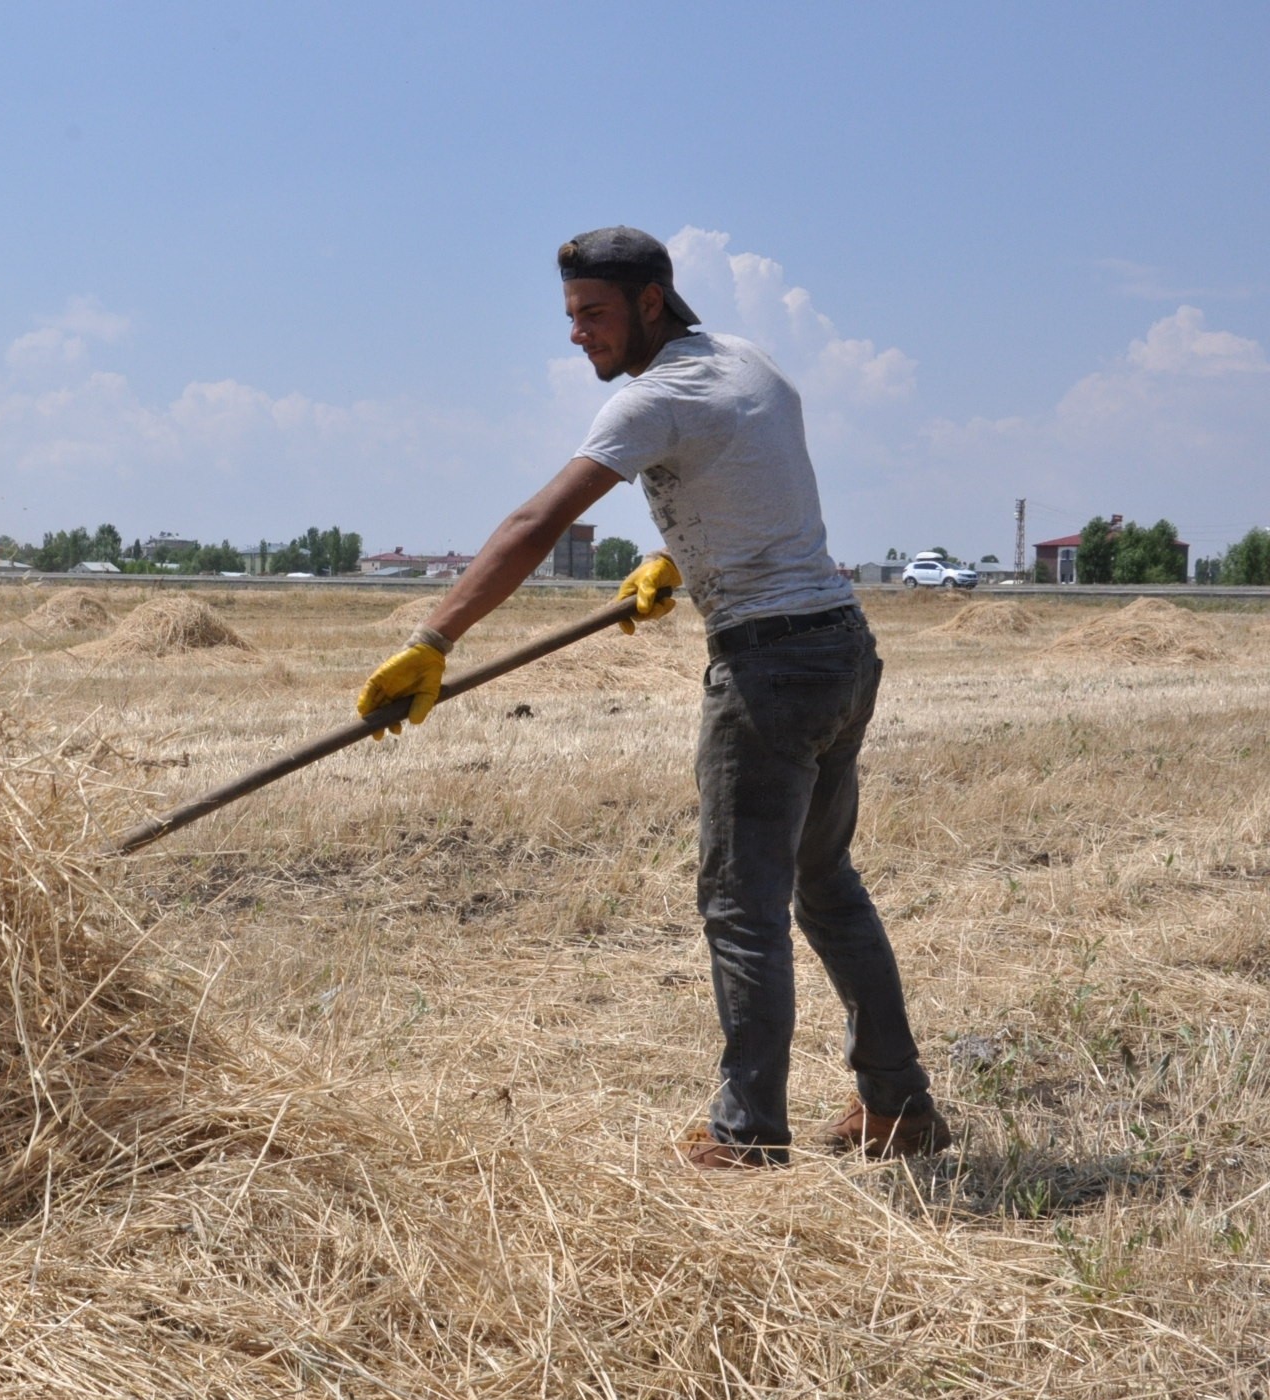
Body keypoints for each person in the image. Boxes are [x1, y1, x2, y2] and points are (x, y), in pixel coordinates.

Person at [356, 225, 949, 1169]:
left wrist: (434, 640)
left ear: (650, 301)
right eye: (570, 315)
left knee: (742, 904)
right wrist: (680, 557)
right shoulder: (747, 363)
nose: (577, 334)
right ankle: (900, 1107)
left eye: (593, 313)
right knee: (825, 883)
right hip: (840, 645)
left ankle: (747, 1135)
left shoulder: (654, 399)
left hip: (769, 670)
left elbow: (538, 520)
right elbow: (752, 480)